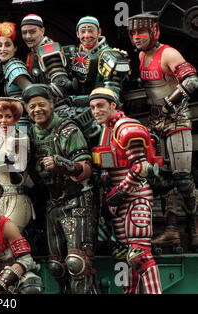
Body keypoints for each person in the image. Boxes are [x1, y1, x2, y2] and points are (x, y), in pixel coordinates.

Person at [127, 13, 198, 252]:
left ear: (154, 31)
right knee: (163, 180)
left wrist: (169, 102)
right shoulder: (141, 56)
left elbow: (191, 80)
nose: (137, 37)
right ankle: (171, 230)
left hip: (177, 120)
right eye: (133, 33)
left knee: (183, 180)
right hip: (156, 124)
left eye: (141, 33)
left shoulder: (168, 53)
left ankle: (193, 224)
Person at [22, 84, 98, 294]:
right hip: (52, 202)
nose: (36, 109)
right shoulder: (28, 135)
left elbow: (87, 169)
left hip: (77, 199)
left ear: (53, 104)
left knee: (77, 263)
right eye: (31, 106)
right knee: (57, 266)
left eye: (41, 104)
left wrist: (62, 165)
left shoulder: (68, 129)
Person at [89, 87, 163, 294]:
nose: (96, 110)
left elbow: (141, 167)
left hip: (136, 197)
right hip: (119, 203)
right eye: (93, 107)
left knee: (140, 254)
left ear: (113, 105)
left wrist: (117, 194)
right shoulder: (107, 129)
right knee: (123, 256)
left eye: (100, 105)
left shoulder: (124, 126)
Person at [0, 97, 34, 231]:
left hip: (17, 198)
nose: (3, 121)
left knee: (7, 237)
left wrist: (11, 165)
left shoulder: (21, 139)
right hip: (0, 201)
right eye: (0, 116)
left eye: (8, 116)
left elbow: (19, 175)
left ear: (16, 119)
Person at [62, 16, 130, 105]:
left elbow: (113, 96)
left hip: (102, 109)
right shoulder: (73, 54)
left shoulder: (111, 56)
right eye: (83, 32)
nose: (86, 35)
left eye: (91, 31)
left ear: (99, 32)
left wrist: (79, 100)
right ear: (77, 34)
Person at [0, 21, 33, 130]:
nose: (2, 49)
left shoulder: (14, 67)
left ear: (15, 48)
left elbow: (32, 93)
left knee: (20, 147)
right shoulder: (2, 66)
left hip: (22, 123)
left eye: (8, 45)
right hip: (9, 123)